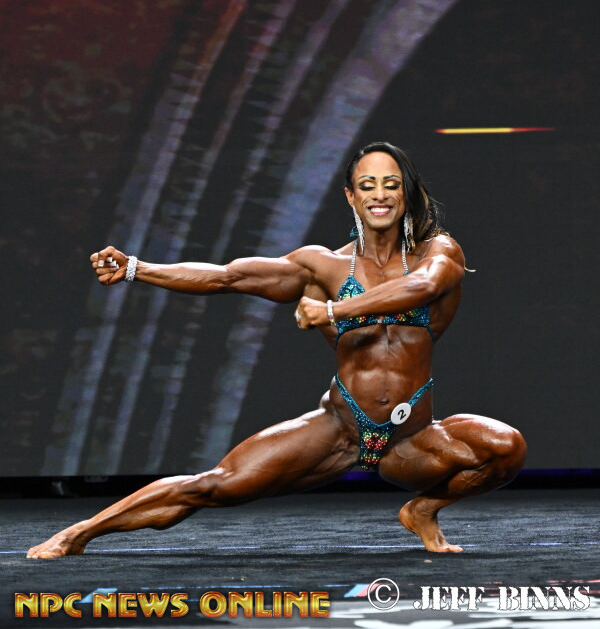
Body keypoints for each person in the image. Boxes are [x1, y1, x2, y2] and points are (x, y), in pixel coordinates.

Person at [27, 141, 526, 559]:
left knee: (505, 448)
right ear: (351, 196)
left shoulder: (438, 251)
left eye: (391, 184)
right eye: (368, 185)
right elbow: (227, 277)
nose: (380, 195)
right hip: (339, 427)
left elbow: (423, 287)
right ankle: (80, 533)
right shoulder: (322, 266)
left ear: (406, 193)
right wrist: (137, 268)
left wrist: (334, 312)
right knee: (214, 485)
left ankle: (422, 510)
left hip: (410, 438)